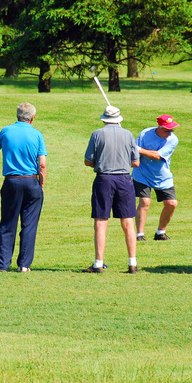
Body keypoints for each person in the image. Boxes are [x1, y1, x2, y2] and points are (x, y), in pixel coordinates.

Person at [0, 102, 48, 272]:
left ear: (17, 116)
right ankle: (24, 265)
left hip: (11, 182)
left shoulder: (6, 131)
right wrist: (41, 185)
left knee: (8, 223)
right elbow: (42, 165)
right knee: (29, 225)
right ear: (32, 118)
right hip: (32, 182)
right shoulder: (37, 134)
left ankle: (2, 265)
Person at [82, 105, 140, 273]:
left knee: (101, 222)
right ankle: (132, 263)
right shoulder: (128, 134)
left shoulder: (97, 134)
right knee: (128, 222)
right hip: (124, 179)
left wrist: (101, 162)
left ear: (103, 119)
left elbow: (88, 160)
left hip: (104, 179)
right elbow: (135, 162)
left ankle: (98, 263)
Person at [132, 114, 180, 242]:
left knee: (171, 204)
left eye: (172, 130)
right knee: (145, 202)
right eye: (167, 130)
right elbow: (134, 153)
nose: (170, 133)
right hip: (142, 174)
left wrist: (139, 149)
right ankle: (139, 235)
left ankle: (160, 232)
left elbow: (157, 156)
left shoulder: (172, 140)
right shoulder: (145, 134)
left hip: (162, 176)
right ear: (159, 127)